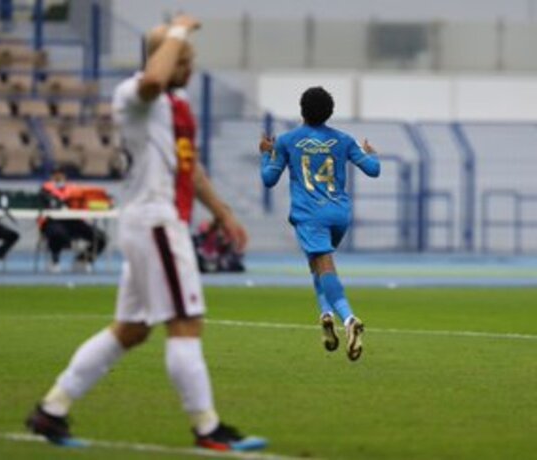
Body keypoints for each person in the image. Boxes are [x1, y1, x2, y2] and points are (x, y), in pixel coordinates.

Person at [26, 15, 267, 452]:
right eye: (184, 60)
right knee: (185, 323)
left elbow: (188, 169)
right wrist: (176, 33)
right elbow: (155, 77)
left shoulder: (172, 105)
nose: (189, 68)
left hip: (154, 221)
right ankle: (206, 428)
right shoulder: (136, 94)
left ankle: (52, 409)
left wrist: (222, 211)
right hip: (156, 222)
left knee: (131, 330)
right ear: (164, 57)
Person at [258, 86, 380, 361]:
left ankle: (349, 320)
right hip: (339, 215)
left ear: (302, 110)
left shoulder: (287, 141)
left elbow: (268, 179)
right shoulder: (344, 140)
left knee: (324, 266)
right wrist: (371, 153)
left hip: (310, 215)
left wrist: (266, 153)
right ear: (330, 112)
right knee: (317, 264)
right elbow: (373, 170)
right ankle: (325, 317)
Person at [39, 168, 108, 273]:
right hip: (54, 221)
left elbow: (85, 202)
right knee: (57, 234)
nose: (58, 179)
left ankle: (82, 260)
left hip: (74, 221)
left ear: (65, 177)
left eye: (61, 176)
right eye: (56, 177)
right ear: (52, 177)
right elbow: (50, 203)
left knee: (100, 238)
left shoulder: (74, 189)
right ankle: (54, 261)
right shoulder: (45, 189)